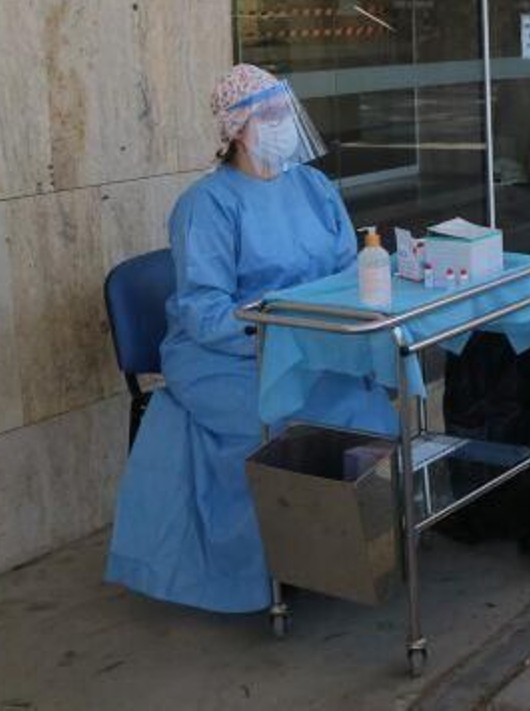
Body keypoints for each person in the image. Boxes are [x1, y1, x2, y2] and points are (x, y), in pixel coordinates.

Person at [105, 64, 398, 613]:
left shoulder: (312, 186)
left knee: (363, 406)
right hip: (225, 353)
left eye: (285, 110)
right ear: (236, 129)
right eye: (269, 114)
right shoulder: (206, 206)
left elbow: (345, 269)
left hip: (309, 339)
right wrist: (280, 329)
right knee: (285, 418)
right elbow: (204, 311)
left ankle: (339, 552)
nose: (283, 123)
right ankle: (269, 570)